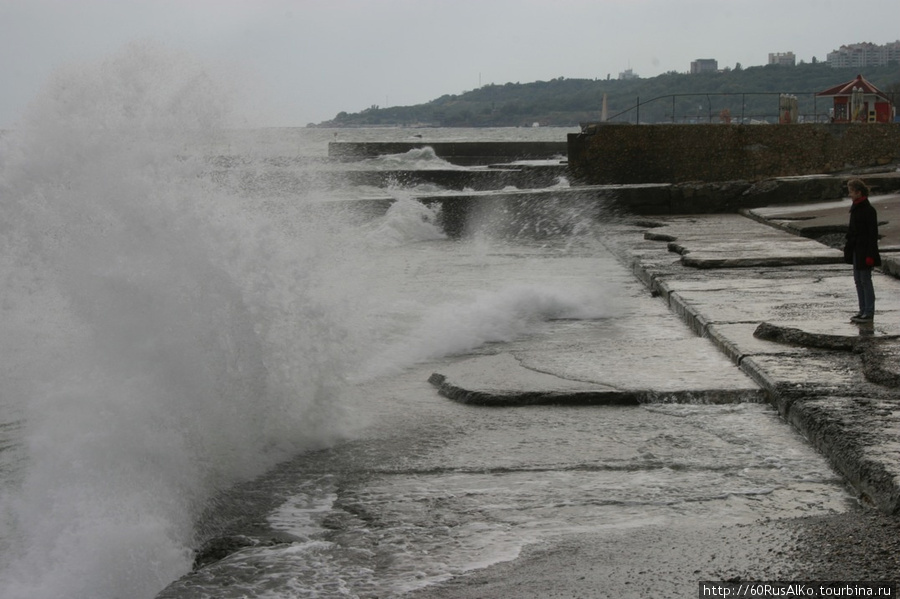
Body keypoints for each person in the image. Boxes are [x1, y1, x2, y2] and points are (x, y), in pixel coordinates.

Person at [843, 179, 881, 323]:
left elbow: (872, 235)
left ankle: (869, 312)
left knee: (865, 280)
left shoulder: (868, 210)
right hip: (855, 250)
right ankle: (862, 310)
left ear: (859, 192)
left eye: (851, 192)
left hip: (865, 251)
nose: (849, 195)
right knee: (858, 280)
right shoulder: (855, 207)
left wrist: (870, 255)